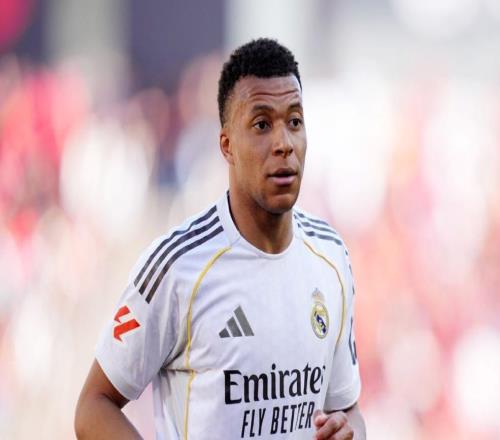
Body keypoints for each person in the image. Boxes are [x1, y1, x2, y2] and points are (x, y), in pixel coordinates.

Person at [74, 38, 366, 440]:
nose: (283, 143)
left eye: (294, 122)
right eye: (262, 124)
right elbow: (93, 407)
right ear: (227, 145)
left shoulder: (330, 257)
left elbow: (348, 409)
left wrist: (350, 432)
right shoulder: (179, 266)